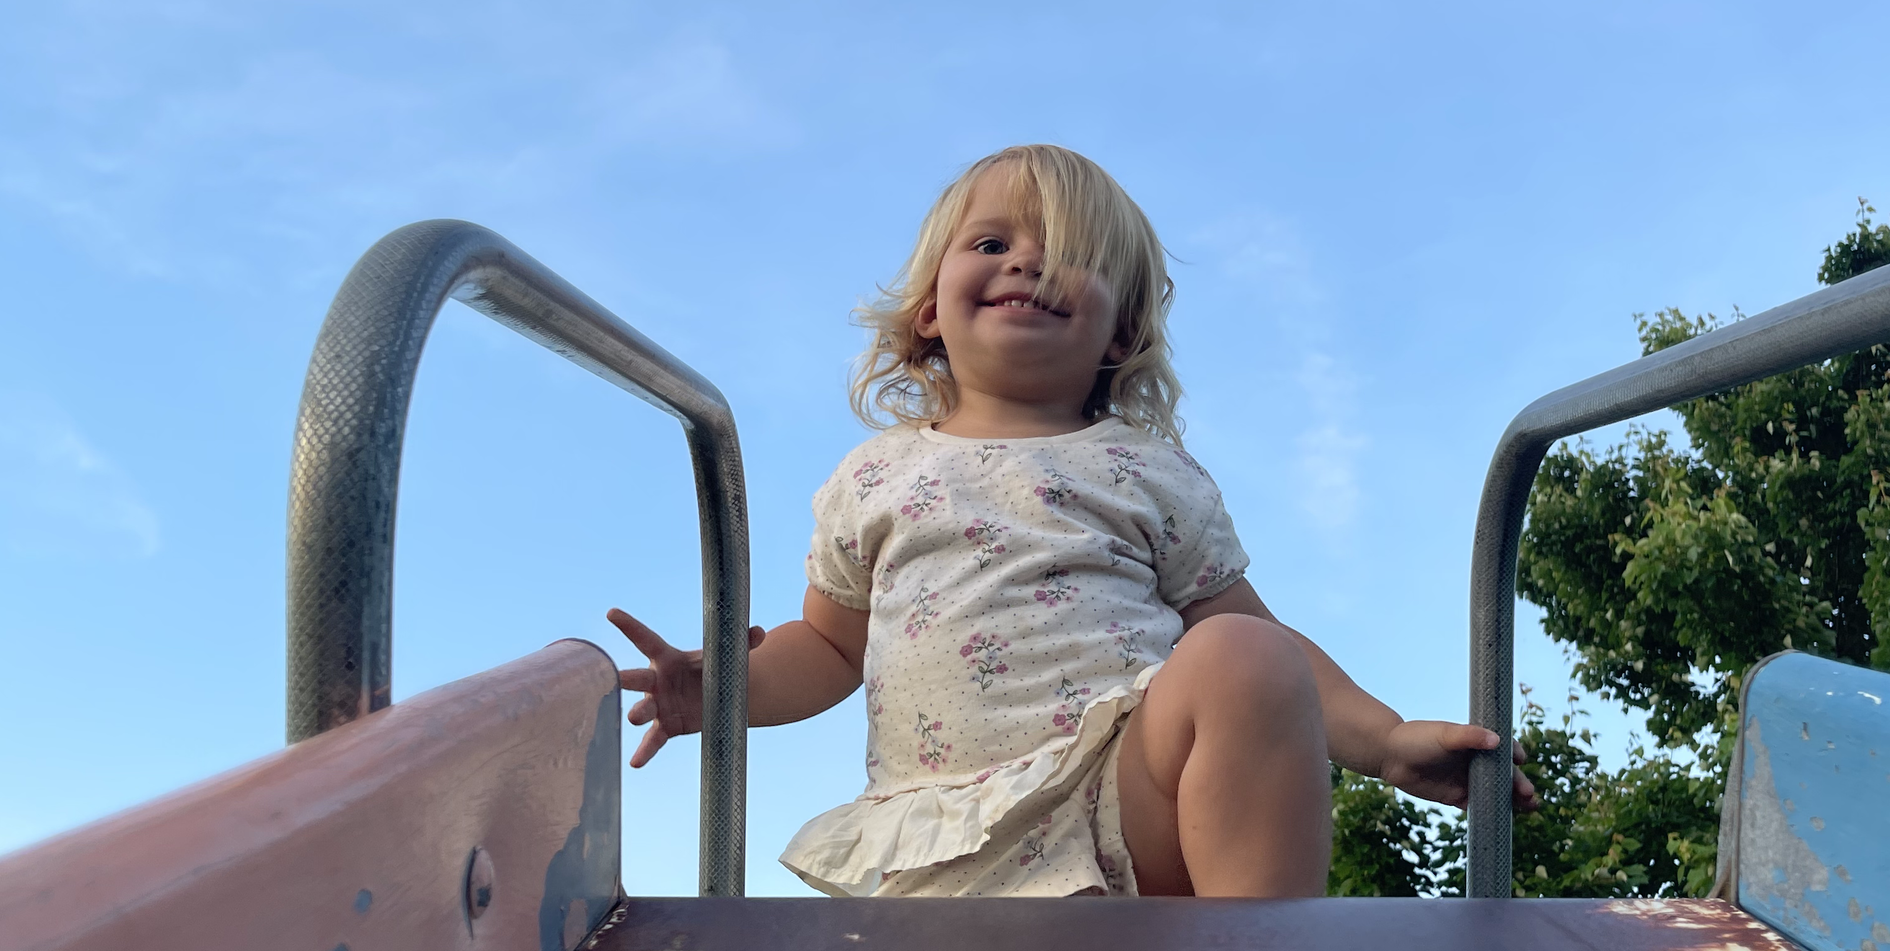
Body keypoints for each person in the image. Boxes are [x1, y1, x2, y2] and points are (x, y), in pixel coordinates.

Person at [608, 143, 1532, 898]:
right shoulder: (879, 473)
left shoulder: (1144, 471)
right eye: (991, 242)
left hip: (1122, 811)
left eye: (1069, 251)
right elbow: (829, 648)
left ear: (1120, 332)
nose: (1027, 260)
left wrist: (1386, 738)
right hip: (949, 847)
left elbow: (1256, 641)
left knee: (1243, 657)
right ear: (930, 306)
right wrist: (723, 688)